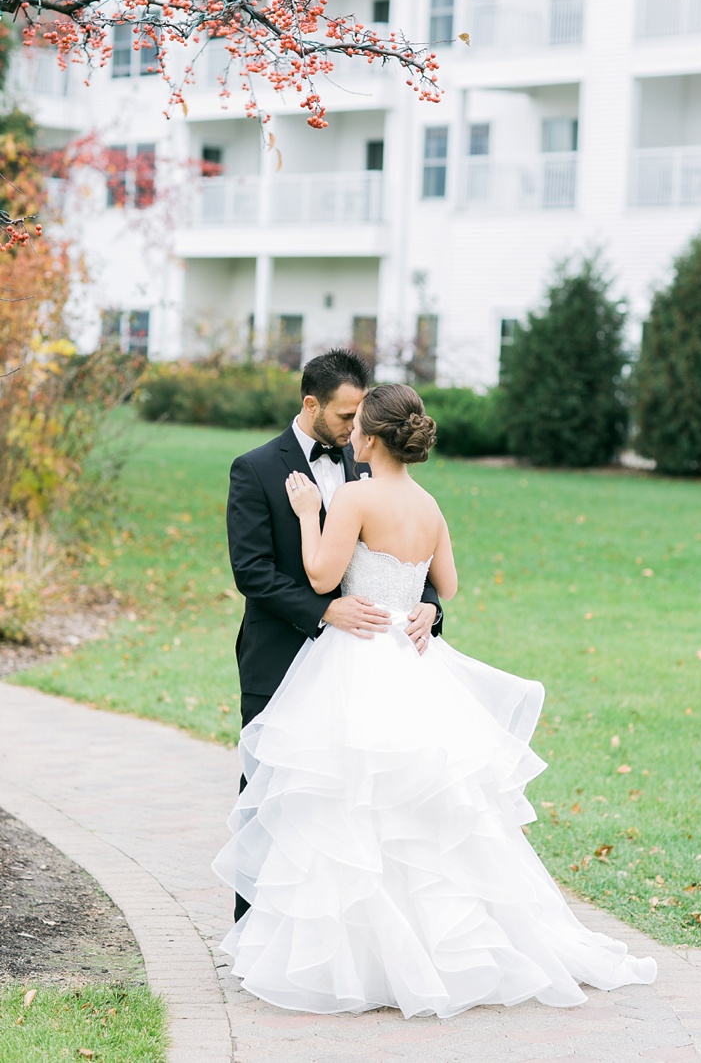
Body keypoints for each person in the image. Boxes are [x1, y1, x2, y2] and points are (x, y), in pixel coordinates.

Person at [214, 383, 656, 1018]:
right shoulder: (428, 502)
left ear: (367, 437)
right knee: (420, 807)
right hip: (410, 657)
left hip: (357, 657)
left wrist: (312, 512)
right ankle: (435, 952)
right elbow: (443, 582)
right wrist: (420, 604)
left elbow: (319, 577)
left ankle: (359, 962)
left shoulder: (353, 496)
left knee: (350, 802)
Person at [226, 352, 442, 920]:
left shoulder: (373, 464)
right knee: (271, 799)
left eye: (361, 417)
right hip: (279, 657)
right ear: (311, 404)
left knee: (360, 806)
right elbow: (252, 573)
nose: (354, 428)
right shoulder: (253, 468)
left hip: (366, 672)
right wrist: (326, 613)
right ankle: (256, 937)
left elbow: (409, 562)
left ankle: (349, 934)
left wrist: (428, 610)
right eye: (346, 416)